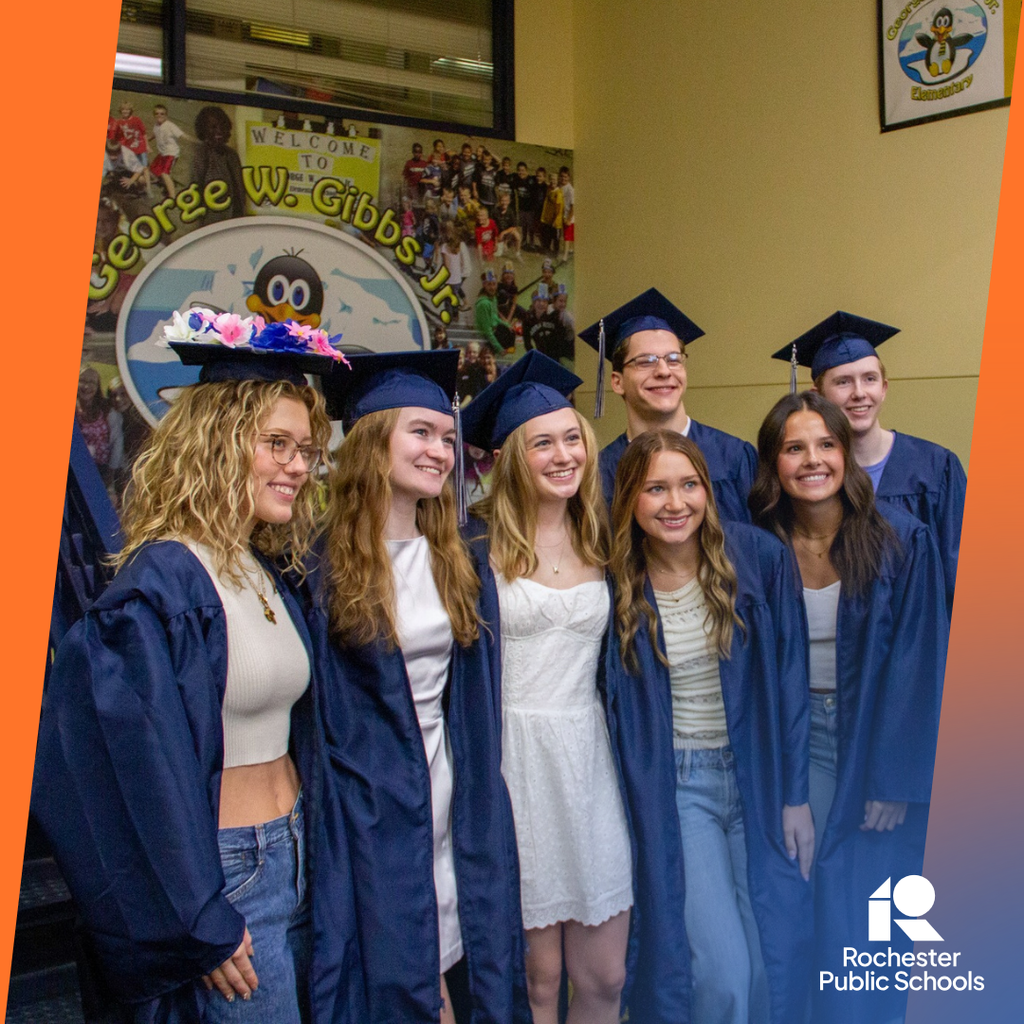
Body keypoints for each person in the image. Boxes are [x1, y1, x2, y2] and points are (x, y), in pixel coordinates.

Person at [33, 315, 358, 1023]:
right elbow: (129, 769)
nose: (299, 466)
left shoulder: (263, 566)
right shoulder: (165, 583)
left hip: (299, 855)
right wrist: (196, 913)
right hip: (228, 878)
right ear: (217, 442)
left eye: (305, 449)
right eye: (276, 444)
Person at [314, 351, 529, 1024]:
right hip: (371, 810)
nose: (440, 451)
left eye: (446, 436)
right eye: (421, 433)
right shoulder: (321, 567)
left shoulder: (459, 556)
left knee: (462, 962)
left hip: (452, 792)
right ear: (372, 439)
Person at [748, 390, 948, 1024]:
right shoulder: (755, 549)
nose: (813, 460)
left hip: (869, 742)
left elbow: (920, 663)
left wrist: (894, 780)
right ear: (773, 464)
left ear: (847, 454)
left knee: (862, 914)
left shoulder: (900, 541)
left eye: (827, 444)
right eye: (794, 447)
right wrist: (786, 782)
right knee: (793, 902)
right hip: (792, 740)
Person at [608, 430, 814, 1024]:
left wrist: (796, 796)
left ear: (707, 488)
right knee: (722, 970)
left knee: (768, 957)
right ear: (630, 499)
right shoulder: (618, 582)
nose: (675, 503)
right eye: (655, 489)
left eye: (688, 485)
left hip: (760, 777)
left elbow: (791, 681)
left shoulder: (759, 559)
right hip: (679, 786)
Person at [462, 352, 633, 1024]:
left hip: (589, 760)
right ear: (509, 458)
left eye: (572, 440)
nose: (563, 456)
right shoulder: (473, 549)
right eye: (543, 443)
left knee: (606, 976)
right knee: (537, 980)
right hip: (512, 762)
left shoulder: (607, 539)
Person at [773, 310, 966, 619]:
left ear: (884, 388)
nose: (859, 393)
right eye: (843, 382)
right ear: (817, 395)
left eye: (869, 379)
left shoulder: (935, 468)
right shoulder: (808, 477)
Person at [580, 288, 758, 521]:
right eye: (645, 362)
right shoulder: (601, 472)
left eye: (674, 360)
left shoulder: (734, 458)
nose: (664, 371)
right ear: (617, 382)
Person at [475, 270, 516, 355]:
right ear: (484, 285)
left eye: (494, 284)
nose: (492, 287)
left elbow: (494, 317)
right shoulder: (483, 304)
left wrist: (507, 325)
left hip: (493, 330)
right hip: (484, 336)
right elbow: (487, 331)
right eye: (489, 284)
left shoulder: (493, 298)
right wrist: (499, 349)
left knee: (512, 332)